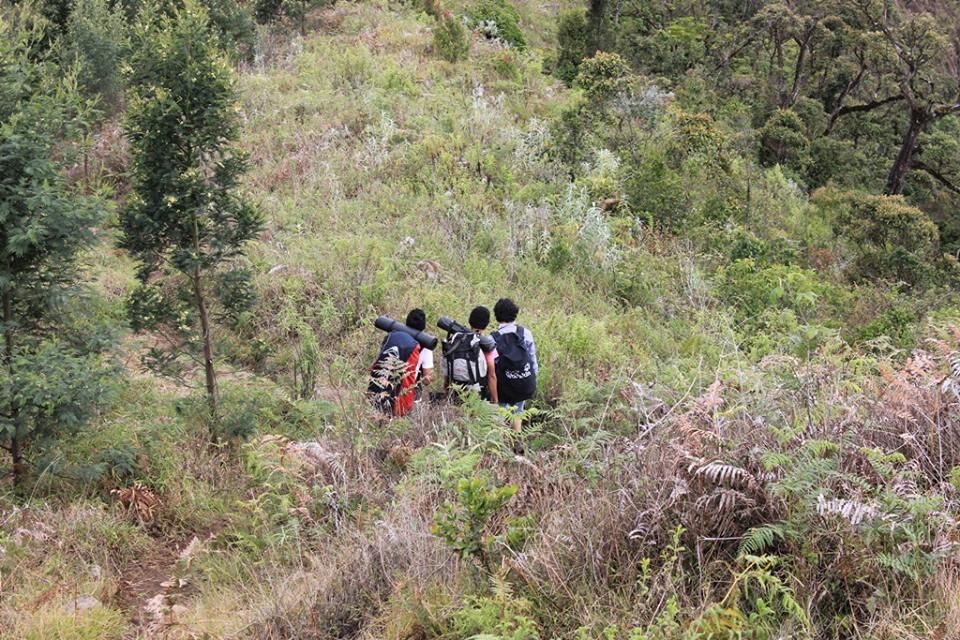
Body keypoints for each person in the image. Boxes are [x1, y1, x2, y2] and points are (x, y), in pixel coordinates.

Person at [491, 298, 538, 445]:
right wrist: (529, 378)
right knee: (518, 411)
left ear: (497, 316)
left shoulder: (493, 339)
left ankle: (500, 445)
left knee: (501, 413)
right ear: (515, 314)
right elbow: (533, 360)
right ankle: (518, 443)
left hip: (504, 385)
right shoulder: (526, 333)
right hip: (523, 380)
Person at [442, 305, 499, 404]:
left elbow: (448, 370)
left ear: (470, 321)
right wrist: (495, 400)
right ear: (486, 324)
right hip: (477, 394)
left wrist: (447, 391)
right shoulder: (486, 345)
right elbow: (491, 376)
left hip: (456, 391)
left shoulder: (455, 340)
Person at [405, 308, 434, 399]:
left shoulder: (394, 336)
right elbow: (426, 381)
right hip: (409, 391)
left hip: (387, 387)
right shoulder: (425, 346)